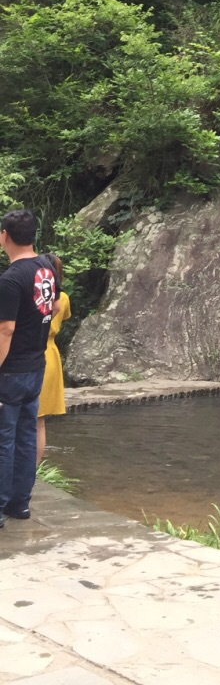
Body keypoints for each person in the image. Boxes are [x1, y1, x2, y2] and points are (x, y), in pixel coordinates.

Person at [0, 209, 60, 526]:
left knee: (3, 439)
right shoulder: (47, 268)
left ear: (4, 236)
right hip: (37, 365)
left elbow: (5, 330)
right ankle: (19, 504)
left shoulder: (11, 279)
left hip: (11, 370)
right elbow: (54, 305)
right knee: (25, 436)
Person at [37, 254, 71, 466]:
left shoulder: (31, 296)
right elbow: (64, 316)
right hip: (51, 353)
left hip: (30, 353)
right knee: (38, 421)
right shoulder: (64, 298)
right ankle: (33, 469)